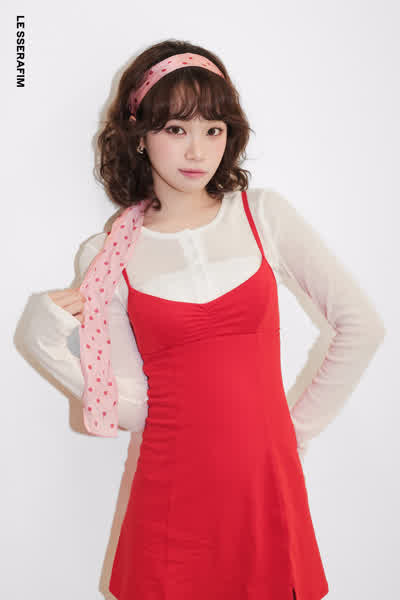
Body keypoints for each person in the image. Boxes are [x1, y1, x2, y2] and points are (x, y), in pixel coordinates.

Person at [23, 39, 386, 600]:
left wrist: (292, 432)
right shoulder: (109, 255)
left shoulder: (263, 216)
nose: (197, 150)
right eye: (176, 129)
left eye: (213, 129)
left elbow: (361, 326)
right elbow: (130, 407)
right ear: (139, 136)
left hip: (266, 491)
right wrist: (43, 341)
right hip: (171, 499)